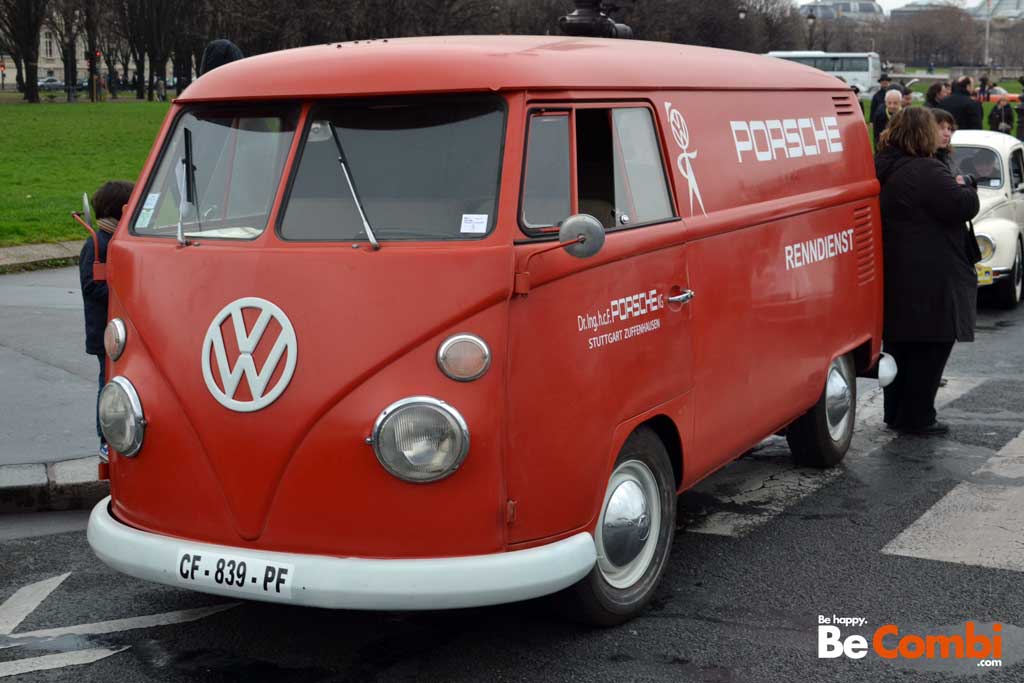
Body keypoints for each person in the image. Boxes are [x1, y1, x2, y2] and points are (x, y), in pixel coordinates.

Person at [874, 108, 980, 435]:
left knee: (900, 345)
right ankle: (919, 416)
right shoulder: (927, 170)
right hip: (931, 272)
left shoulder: (884, 165)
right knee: (931, 345)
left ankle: (896, 412)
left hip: (896, 267)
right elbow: (962, 206)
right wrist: (968, 185)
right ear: (922, 133)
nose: (940, 134)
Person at [80, 180, 134, 458]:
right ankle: (105, 438)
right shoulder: (96, 244)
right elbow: (90, 285)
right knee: (107, 383)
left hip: (117, 332)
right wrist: (122, 293)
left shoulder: (113, 241)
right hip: (104, 331)